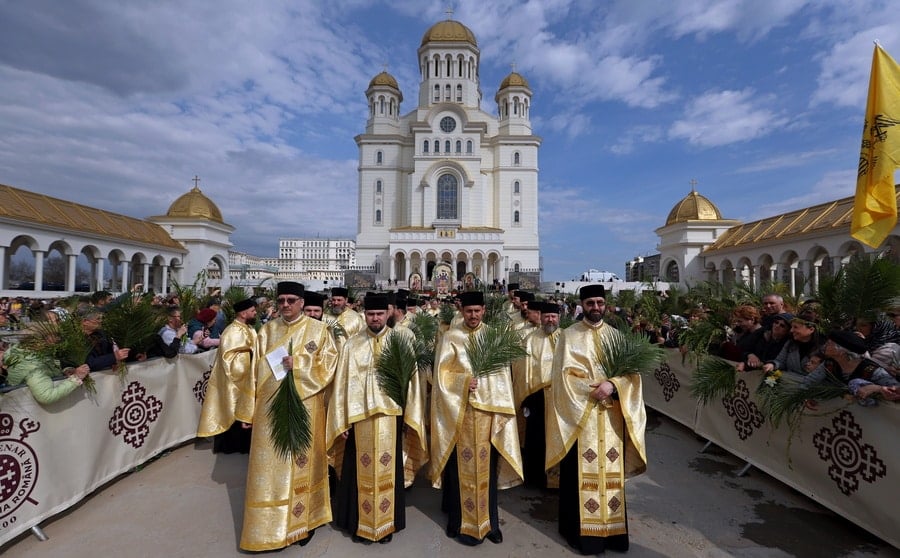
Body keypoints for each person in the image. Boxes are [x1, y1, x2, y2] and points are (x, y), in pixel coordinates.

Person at [234, 281, 339, 551]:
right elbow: (253, 374)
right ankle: (269, 528)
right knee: (273, 469)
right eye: (281, 301)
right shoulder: (266, 331)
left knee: (303, 465)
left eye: (291, 300)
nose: (286, 305)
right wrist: (247, 411)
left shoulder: (320, 330)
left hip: (306, 408)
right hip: (269, 412)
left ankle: (302, 524)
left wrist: (300, 364)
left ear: (302, 302)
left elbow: (329, 368)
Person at [546, 285, 647, 555]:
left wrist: (613, 385)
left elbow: (632, 375)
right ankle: (582, 536)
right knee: (579, 477)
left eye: (600, 302)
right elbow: (562, 380)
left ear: (605, 304)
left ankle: (613, 535)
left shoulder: (616, 336)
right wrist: (592, 390)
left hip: (612, 417)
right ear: (582, 304)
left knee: (610, 476)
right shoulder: (568, 336)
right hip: (582, 419)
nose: (596, 307)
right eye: (590, 302)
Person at [326, 294, 428, 544]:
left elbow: (413, 384)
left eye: (379, 314)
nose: (375, 318)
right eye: (370, 314)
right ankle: (358, 522)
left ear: (387, 314)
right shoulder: (352, 345)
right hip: (359, 421)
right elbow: (342, 386)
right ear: (365, 315)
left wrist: (409, 416)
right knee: (356, 472)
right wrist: (343, 421)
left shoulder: (400, 341)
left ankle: (386, 525)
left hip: (391, 419)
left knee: (388, 472)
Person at [429, 291, 522, 546]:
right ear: (462, 312)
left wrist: (496, 410)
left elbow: (503, 379)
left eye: (477, 311)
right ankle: (458, 522)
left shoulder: (493, 337)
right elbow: (441, 376)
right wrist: (462, 382)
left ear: (484, 310)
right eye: (468, 311)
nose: (473, 315)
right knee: (460, 471)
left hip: (486, 415)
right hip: (460, 414)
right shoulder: (451, 338)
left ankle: (490, 523)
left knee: (487, 472)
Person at [197, 298, 258, 454]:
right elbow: (227, 356)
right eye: (252, 311)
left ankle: (245, 445)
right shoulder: (232, 330)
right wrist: (249, 352)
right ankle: (231, 446)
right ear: (244, 313)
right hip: (235, 379)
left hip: (249, 377)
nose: (255, 313)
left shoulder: (249, 328)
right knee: (233, 410)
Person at [511, 300, 561, 489]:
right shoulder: (530, 339)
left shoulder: (566, 338)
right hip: (536, 398)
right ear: (540, 317)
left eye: (553, 316)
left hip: (562, 399)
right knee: (536, 440)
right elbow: (522, 370)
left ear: (558, 318)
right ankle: (535, 479)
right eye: (547, 316)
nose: (550, 320)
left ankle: (558, 480)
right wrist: (526, 397)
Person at [804, 330, 900, 405]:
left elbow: (896, 389)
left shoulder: (871, 370)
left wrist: (877, 388)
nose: (825, 346)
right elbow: (810, 381)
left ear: (841, 351)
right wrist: (805, 396)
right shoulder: (829, 364)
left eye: (829, 343)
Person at [0, 341, 91, 405]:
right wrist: (76, 378)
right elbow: (46, 396)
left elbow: (48, 372)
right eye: (54, 335)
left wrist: (64, 372)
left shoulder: (30, 353)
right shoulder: (32, 366)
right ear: (40, 341)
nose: (59, 338)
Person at [762, 312, 822, 376]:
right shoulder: (790, 344)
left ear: (811, 329)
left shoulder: (821, 349)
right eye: (792, 327)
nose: (791, 330)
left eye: (795, 327)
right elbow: (780, 361)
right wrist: (772, 365)